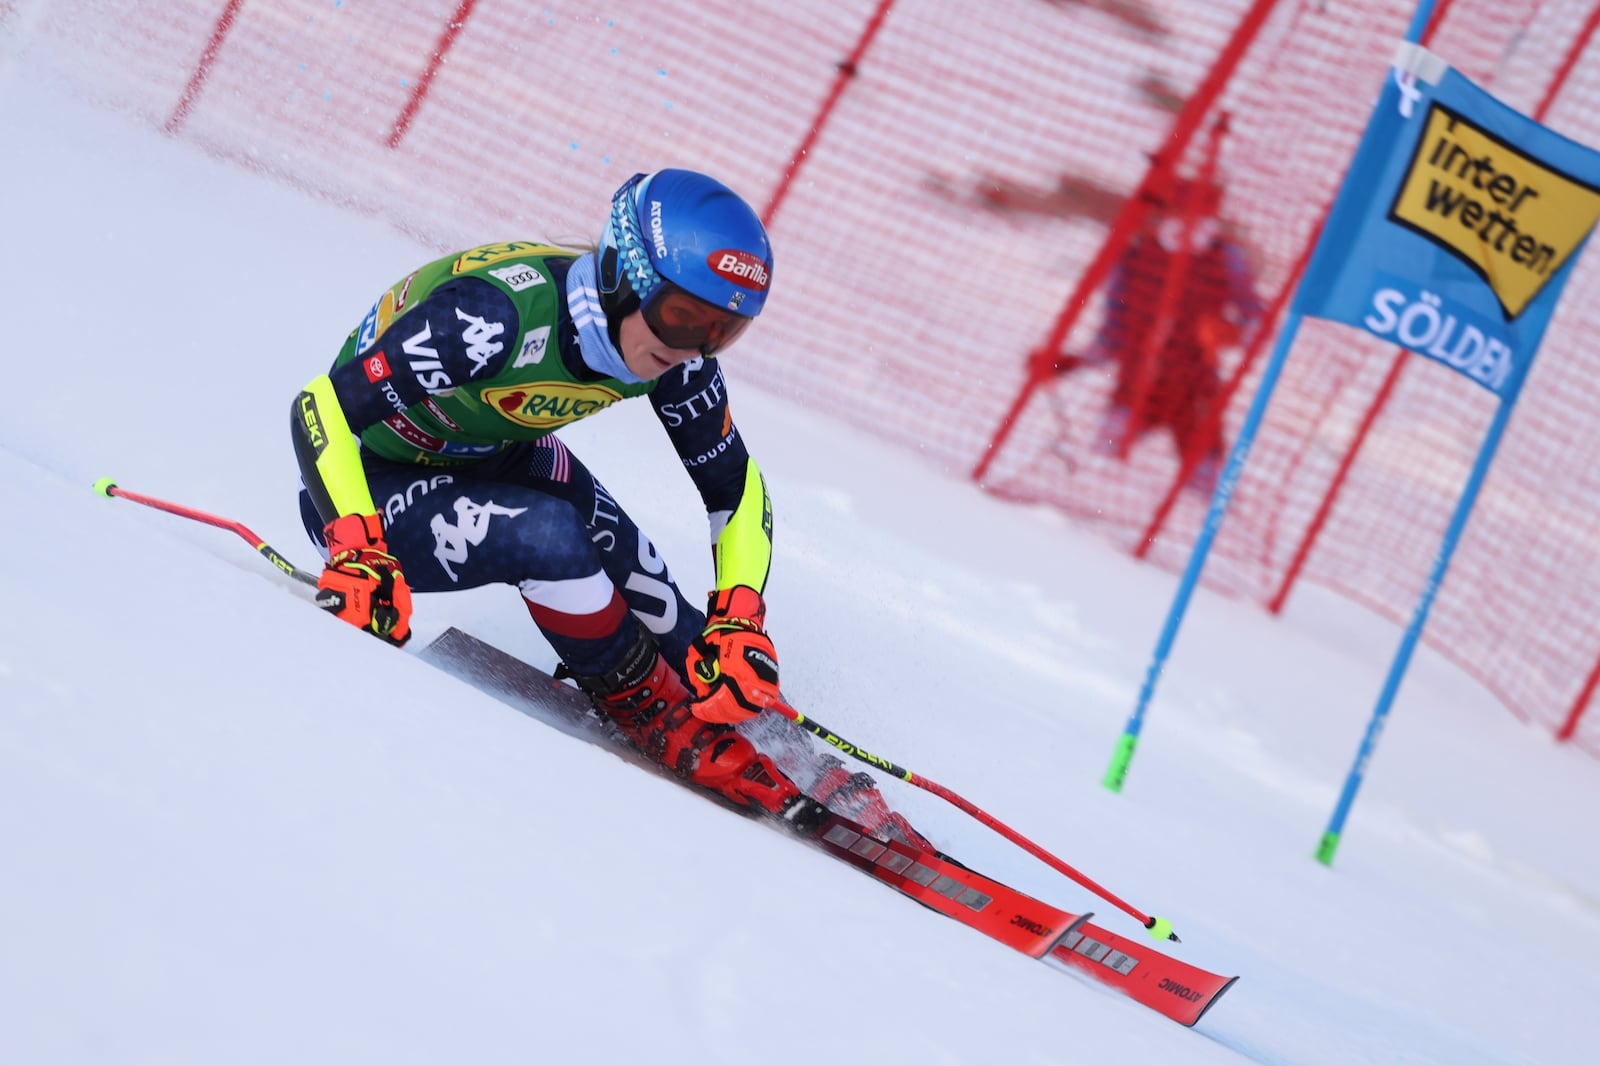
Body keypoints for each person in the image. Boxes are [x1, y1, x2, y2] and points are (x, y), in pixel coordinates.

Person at [289, 169, 909, 837]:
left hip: (494, 452)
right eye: (683, 316)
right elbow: (320, 405)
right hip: (371, 484)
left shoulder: (676, 356)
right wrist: (357, 544)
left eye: (724, 330)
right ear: (624, 274)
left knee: (650, 586)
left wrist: (740, 618)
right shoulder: (491, 319)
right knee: (550, 536)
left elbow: (735, 486)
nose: (693, 347)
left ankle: (785, 750)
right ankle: (648, 711)